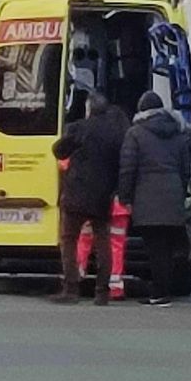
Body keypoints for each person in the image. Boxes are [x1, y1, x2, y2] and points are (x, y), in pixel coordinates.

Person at [51, 92, 130, 306]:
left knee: (69, 239)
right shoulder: (117, 134)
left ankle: (71, 288)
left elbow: (58, 150)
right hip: (102, 195)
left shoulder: (79, 128)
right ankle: (102, 292)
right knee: (103, 242)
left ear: (89, 109)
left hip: (77, 193)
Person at [119, 91, 191, 307]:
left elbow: (128, 168)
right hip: (173, 194)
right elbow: (185, 169)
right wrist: (180, 191)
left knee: (155, 248)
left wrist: (125, 196)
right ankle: (164, 290)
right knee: (167, 247)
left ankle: (159, 293)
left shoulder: (135, 133)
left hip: (147, 197)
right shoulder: (179, 133)